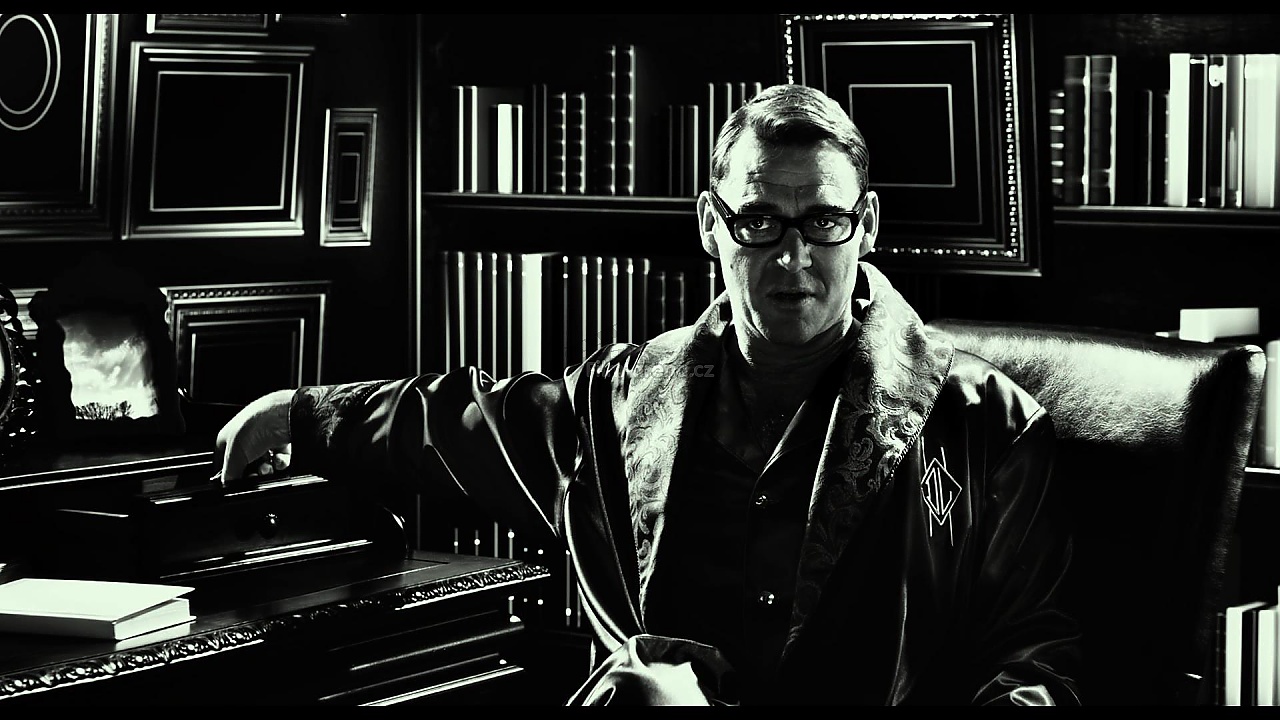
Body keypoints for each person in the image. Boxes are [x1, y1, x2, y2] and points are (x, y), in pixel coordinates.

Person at [213, 83, 1081, 706]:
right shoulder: (623, 399)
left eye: (823, 221)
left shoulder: (985, 427)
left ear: (867, 225)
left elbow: (1035, 666)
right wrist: (301, 416)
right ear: (711, 225)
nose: (792, 257)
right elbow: (462, 421)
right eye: (758, 221)